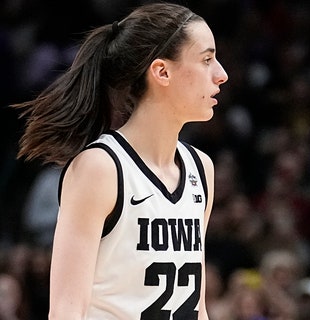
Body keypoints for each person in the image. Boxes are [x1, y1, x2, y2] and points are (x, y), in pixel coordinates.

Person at [11, 2, 228, 319]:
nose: (221, 74)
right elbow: (66, 308)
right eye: (207, 59)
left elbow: (197, 305)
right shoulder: (101, 168)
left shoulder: (201, 168)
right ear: (162, 72)